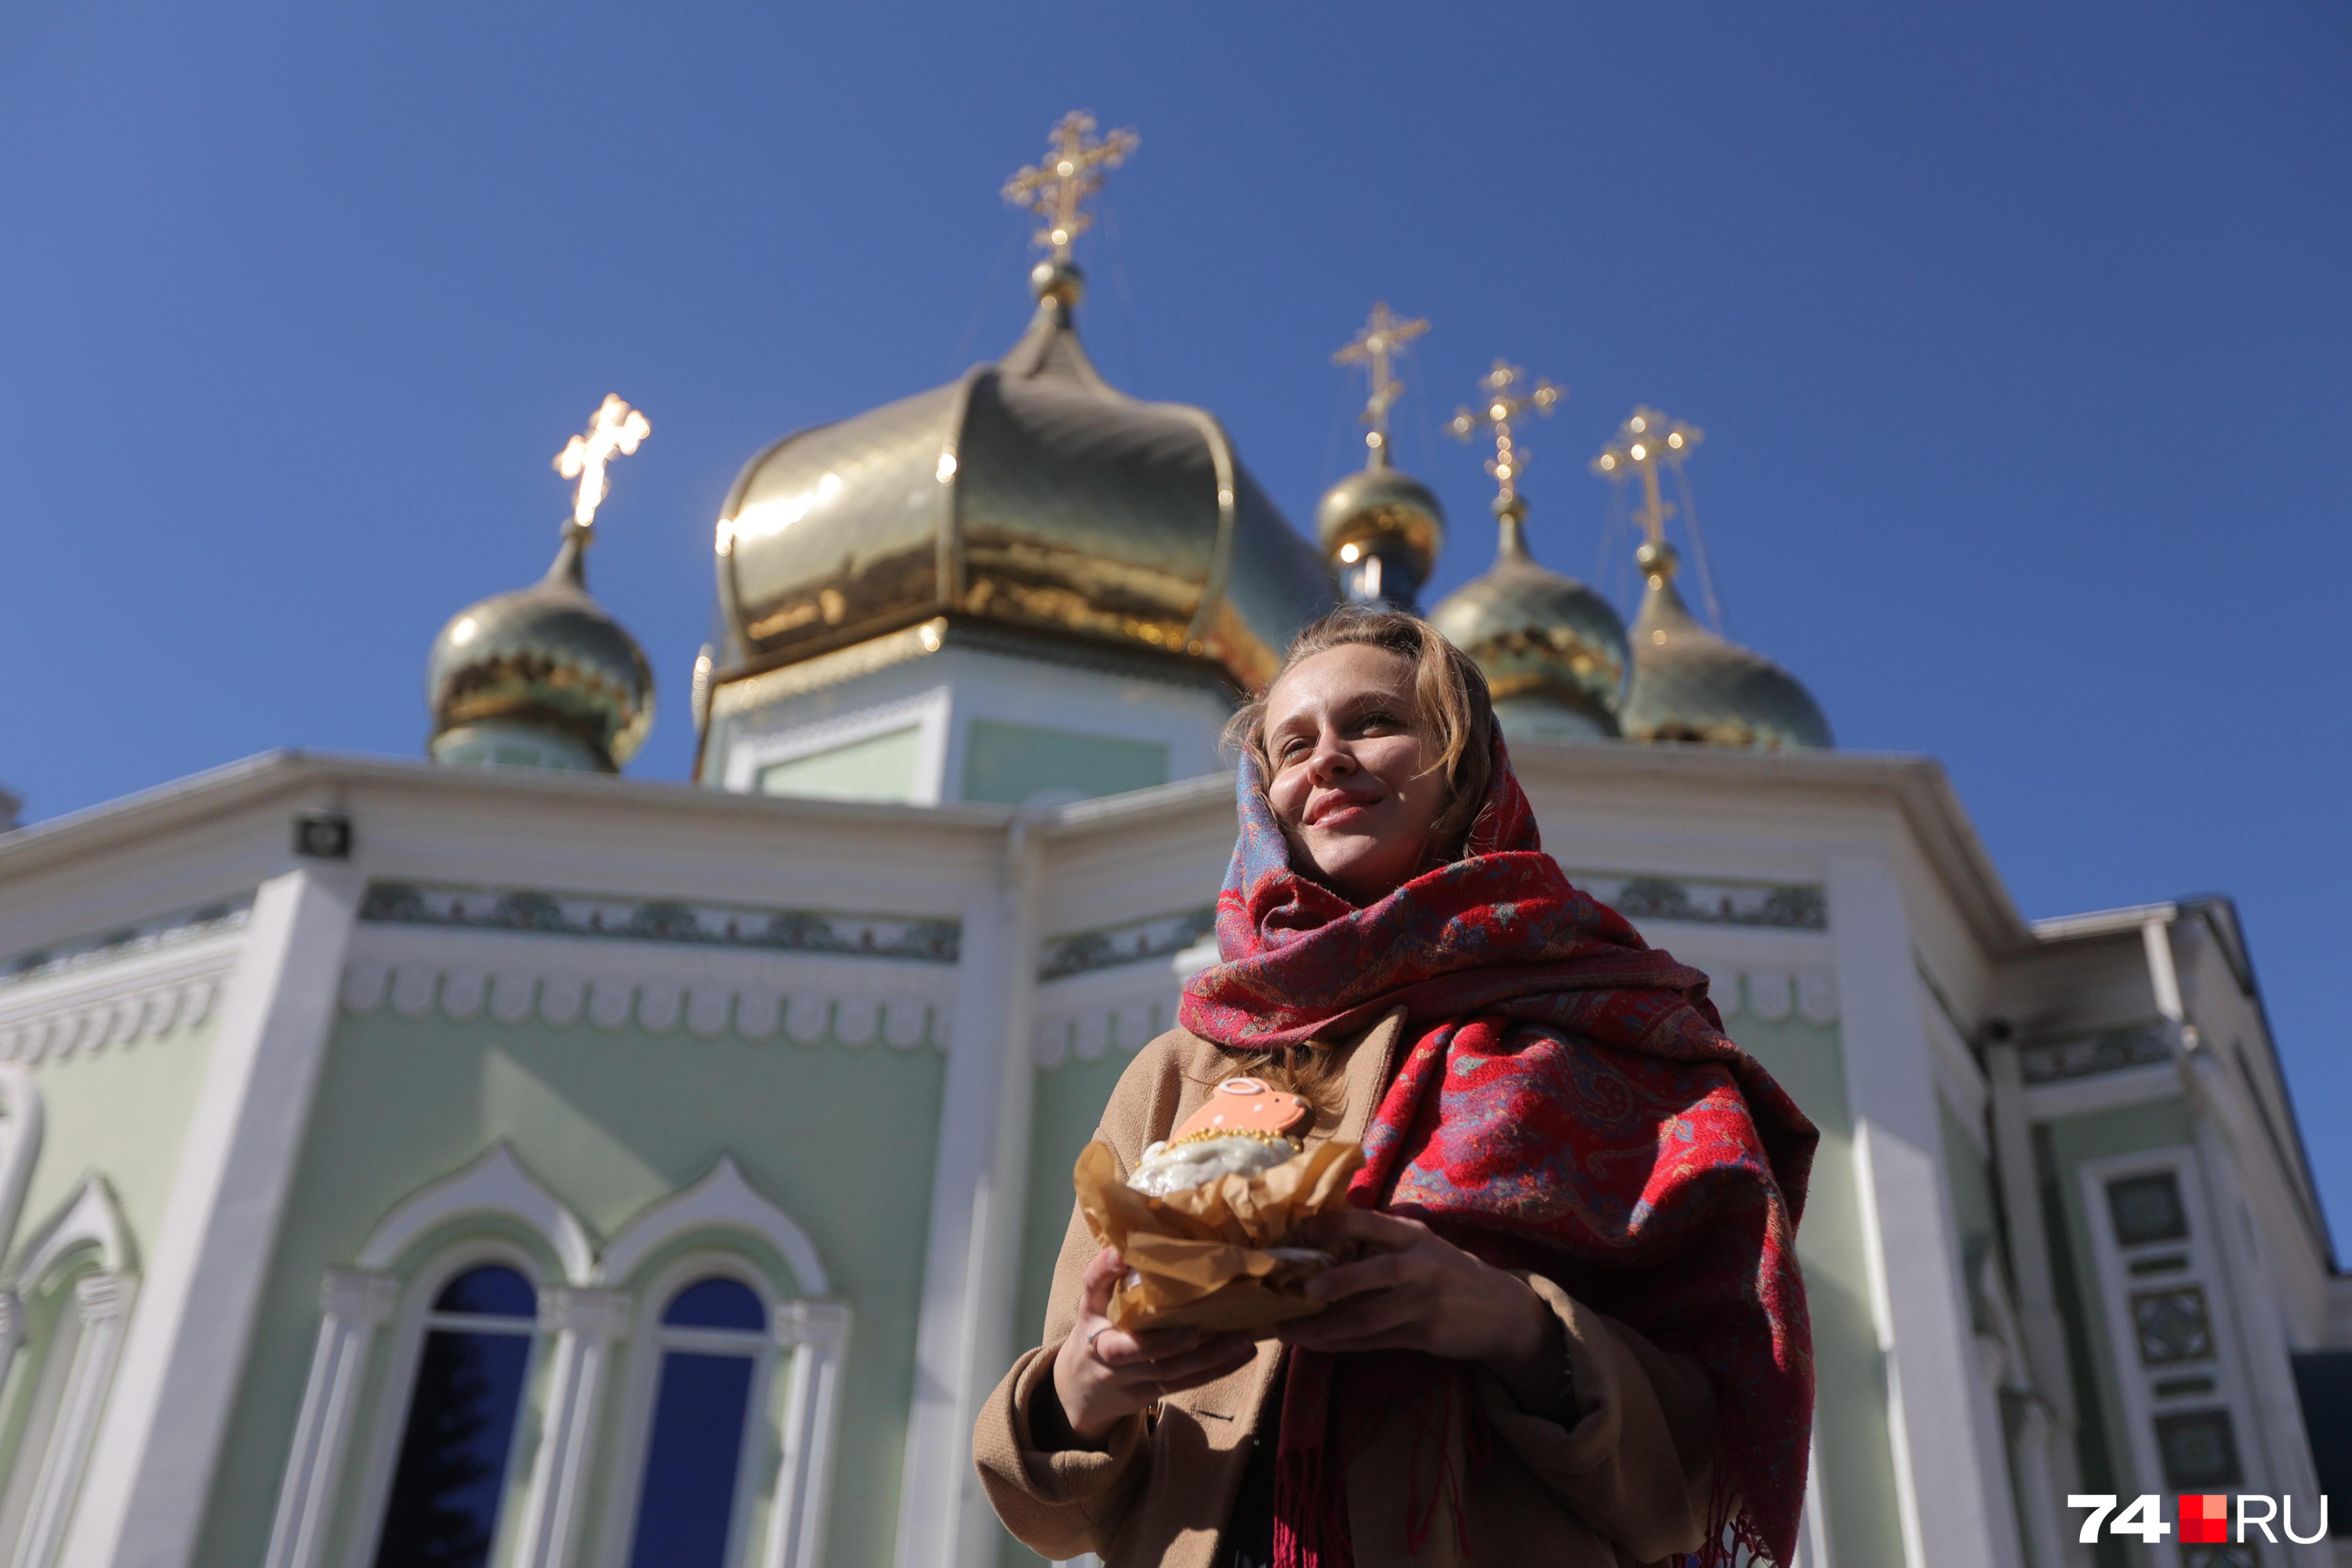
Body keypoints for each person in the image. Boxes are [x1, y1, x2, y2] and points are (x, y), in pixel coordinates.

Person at [975, 606, 1817, 1568]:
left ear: (1461, 766)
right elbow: (1055, 1507)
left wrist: (1514, 1324)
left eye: (1373, 722)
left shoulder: (1613, 1040)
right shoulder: (1188, 1064)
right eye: (1292, 745)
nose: (1326, 759)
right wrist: (1086, 1382)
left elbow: (1711, 1459)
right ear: (1265, 795)